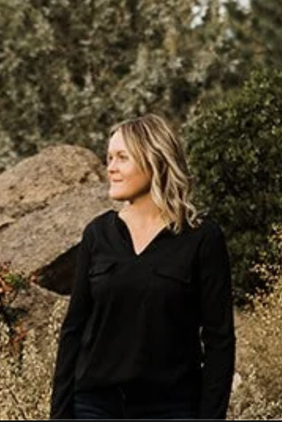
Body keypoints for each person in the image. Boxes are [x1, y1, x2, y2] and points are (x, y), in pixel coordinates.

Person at [50, 114, 235, 419]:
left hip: (172, 408)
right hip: (96, 407)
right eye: (109, 157)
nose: (111, 167)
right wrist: (59, 415)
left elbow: (219, 340)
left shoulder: (201, 238)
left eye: (122, 157)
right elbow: (73, 330)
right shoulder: (97, 235)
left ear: (155, 161)